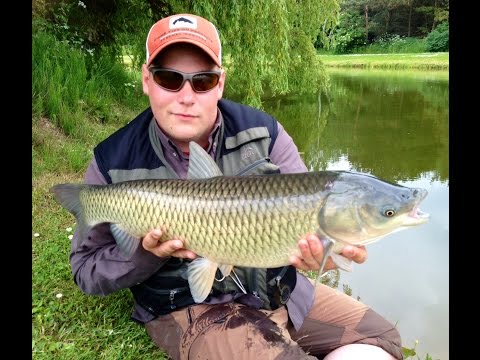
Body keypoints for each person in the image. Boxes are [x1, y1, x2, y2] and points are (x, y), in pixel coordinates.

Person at [70, 13, 403, 360]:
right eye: (170, 79)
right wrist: (146, 253)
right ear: (146, 79)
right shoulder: (113, 160)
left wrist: (326, 257)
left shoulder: (265, 134)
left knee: (381, 339)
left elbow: (311, 230)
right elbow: (87, 272)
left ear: (220, 83)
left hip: (277, 293)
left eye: (202, 81)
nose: (186, 96)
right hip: (192, 309)